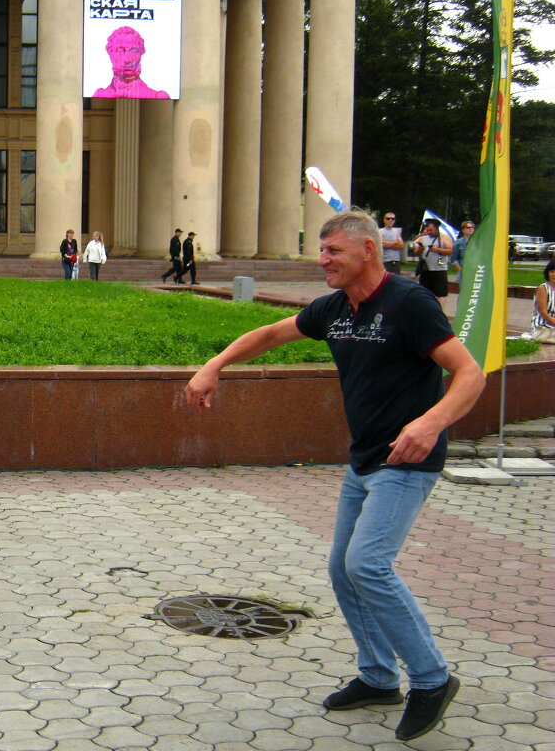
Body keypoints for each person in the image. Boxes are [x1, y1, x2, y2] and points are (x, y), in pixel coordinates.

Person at [184, 211, 484, 743]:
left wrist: (431, 422)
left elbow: (469, 374)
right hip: (365, 459)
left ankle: (432, 679)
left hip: (407, 461)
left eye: (333, 251)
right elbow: (272, 333)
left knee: (367, 564)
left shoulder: (409, 303)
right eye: (321, 250)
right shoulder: (336, 309)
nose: (322, 259)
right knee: (344, 571)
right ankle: (378, 676)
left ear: (368, 250)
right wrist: (215, 364)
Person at [91, 26, 170, 99]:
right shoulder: (100, 95)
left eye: (133, 51)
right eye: (120, 51)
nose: (127, 60)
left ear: (140, 54)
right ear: (111, 54)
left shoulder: (157, 97)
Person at [411, 218, 453, 307]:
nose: (429, 232)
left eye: (431, 230)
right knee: (425, 294)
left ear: (436, 228)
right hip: (426, 270)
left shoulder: (444, 238)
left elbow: (450, 251)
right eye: (427, 230)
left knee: (440, 294)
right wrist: (419, 250)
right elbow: (415, 253)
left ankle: (440, 313)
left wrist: (437, 249)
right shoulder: (422, 239)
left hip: (439, 270)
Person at [524, 259, 555, 343]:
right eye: (552, 271)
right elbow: (543, 313)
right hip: (543, 326)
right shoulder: (543, 288)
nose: (554, 274)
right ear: (547, 273)